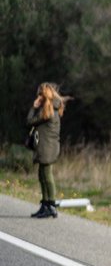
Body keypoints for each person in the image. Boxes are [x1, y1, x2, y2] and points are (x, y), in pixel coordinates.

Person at [26, 83, 67, 219]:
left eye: (40, 95)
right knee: (42, 175)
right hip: (46, 147)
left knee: (47, 176)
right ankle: (45, 205)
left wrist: (34, 106)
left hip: (47, 148)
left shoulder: (49, 111)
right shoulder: (52, 109)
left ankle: (50, 205)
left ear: (44, 96)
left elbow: (30, 121)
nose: (38, 97)